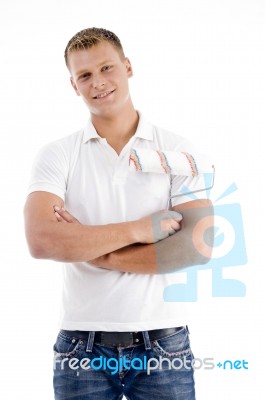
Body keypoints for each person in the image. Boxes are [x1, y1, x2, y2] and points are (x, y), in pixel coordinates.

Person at [24, 27, 214, 400]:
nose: (98, 83)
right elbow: (43, 239)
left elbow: (195, 246)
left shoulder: (177, 150)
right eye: (85, 75)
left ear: (127, 67)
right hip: (81, 345)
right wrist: (140, 229)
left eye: (106, 68)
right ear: (73, 85)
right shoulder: (57, 154)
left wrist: (96, 251)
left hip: (163, 341)